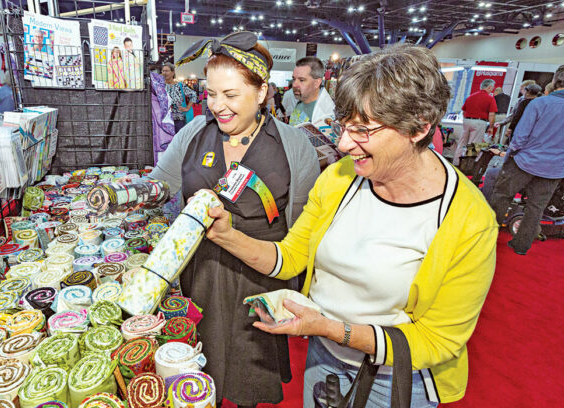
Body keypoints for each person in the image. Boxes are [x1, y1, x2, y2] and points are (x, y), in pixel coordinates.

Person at [202, 44, 497, 407]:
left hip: (399, 377)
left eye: (361, 130)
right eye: (343, 127)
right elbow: (292, 255)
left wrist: (327, 328)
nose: (343, 144)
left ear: (418, 127)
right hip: (325, 357)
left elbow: (436, 340)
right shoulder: (342, 177)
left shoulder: (468, 220)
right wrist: (226, 235)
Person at [150, 31, 320, 407]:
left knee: (248, 375)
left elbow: (305, 226)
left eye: (230, 95)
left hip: (260, 277)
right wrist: (124, 193)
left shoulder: (293, 146)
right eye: (211, 94)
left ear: (261, 94)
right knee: (198, 371)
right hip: (201, 274)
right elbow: (161, 184)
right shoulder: (195, 133)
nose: (217, 106)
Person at [489, 65, 564, 255]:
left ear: (555, 80)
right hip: (556, 167)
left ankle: (488, 237)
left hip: (525, 162)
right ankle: (521, 246)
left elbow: (520, 137)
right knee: (536, 207)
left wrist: (510, 154)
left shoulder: (540, 104)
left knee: (502, 196)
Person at [453, 79, 497, 166]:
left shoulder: (470, 96)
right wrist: (491, 127)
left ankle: (456, 163)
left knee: (462, 142)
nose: (492, 89)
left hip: (467, 121)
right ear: (489, 87)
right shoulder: (490, 98)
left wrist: (466, 120)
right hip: (479, 122)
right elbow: (491, 115)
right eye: (492, 88)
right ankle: (467, 166)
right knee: (473, 145)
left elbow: (464, 111)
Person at [288, 56, 335, 131]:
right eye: (294, 79)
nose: (294, 84)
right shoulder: (301, 101)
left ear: (317, 83)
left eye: (301, 80)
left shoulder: (326, 114)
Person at [161, 62, 195, 133]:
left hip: (178, 119)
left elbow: (193, 95)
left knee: (179, 140)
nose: (164, 73)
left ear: (173, 72)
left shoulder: (180, 85)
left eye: (167, 71)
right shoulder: (160, 86)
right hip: (164, 119)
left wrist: (187, 108)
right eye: (163, 71)